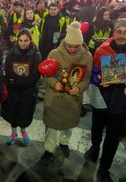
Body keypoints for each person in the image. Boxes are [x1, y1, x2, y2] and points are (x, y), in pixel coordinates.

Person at [85, 18, 126, 182]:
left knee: (113, 137)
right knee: (96, 128)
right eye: (118, 31)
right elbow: (94, 74)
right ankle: (94, 148)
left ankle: (104, 168)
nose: (122, 35)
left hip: (122, 103)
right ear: (113, 32)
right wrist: (100, 80)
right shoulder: (102, 49)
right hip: (102, 99)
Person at [40, 21, 92, 163]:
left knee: (68, 125)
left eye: (77, 46)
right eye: (70, 46)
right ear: (65, 42)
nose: (73, 49)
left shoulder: (87, 57)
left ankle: (64, 142)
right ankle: (49, 149)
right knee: (51, 126)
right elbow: (46, 75)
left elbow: (87, 79)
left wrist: (79, 88)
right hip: (55, 97)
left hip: (73, 98)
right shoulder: (54, 53)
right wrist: (54, 83)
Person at [1, 28, 41, 146]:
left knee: (24, 112)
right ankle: (13, 133)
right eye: (21, 40)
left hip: (28, 91)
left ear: (30, 41)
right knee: (13, 111)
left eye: (26, 40)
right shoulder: (11, 53)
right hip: (13, 90)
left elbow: (35, 76)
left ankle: (23, 130)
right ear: (17, 41)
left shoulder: (36, 54)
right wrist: (19, 81)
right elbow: (8, 71)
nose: (23, 43)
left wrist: (18, 81)